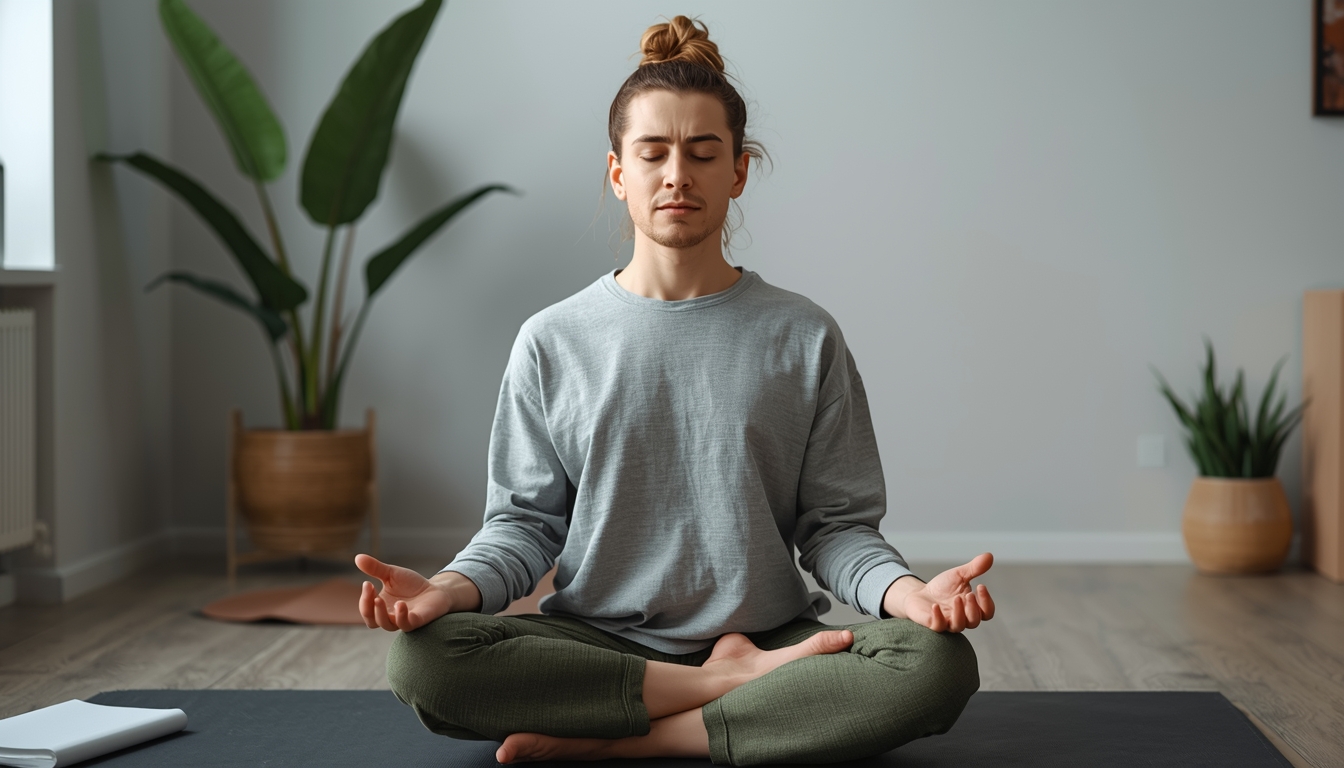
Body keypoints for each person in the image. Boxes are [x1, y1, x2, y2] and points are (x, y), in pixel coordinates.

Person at [354, 15, 995, 766]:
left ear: (738, 171)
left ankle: (630, 741)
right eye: (652, 153)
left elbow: (837, 529)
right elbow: (524, 527)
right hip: (599, 643)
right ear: (618, 171)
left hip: (770, 635)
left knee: (936, 665)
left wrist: (908, 596)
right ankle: (730, 695)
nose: (677, 175)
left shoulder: (804, 335)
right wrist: (448, 590)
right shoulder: (552, 340)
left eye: (702, 153)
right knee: (422, 661)